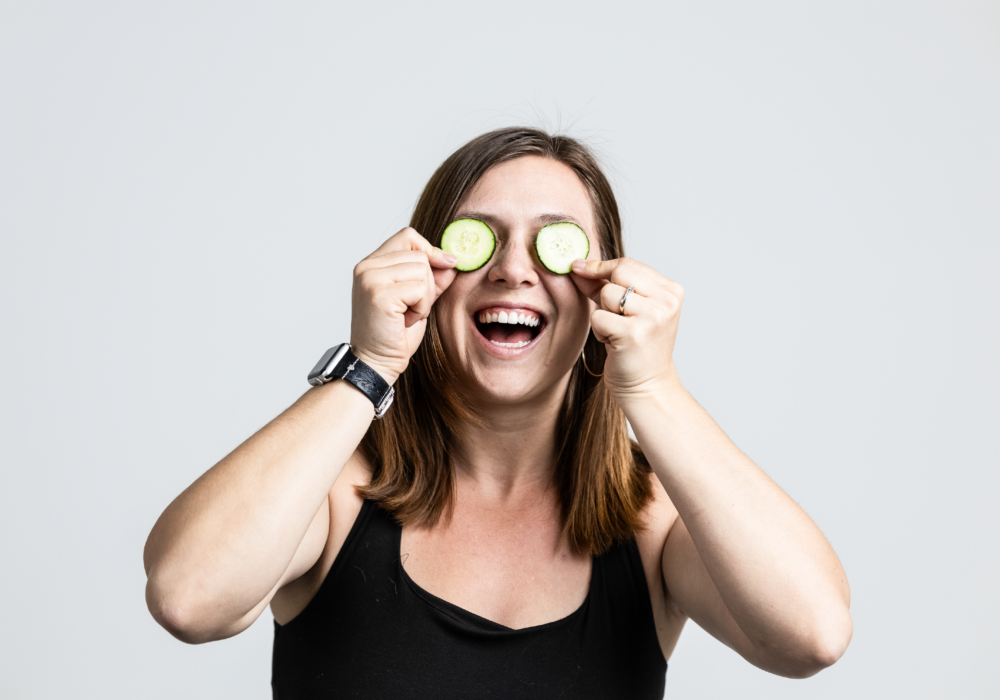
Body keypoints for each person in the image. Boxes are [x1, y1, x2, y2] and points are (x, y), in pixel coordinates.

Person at [143, 127, 852, 697]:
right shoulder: (336, 492)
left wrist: (653, 387)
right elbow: (189, 597)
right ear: (427, 275)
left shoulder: (651, 523)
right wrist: (371, 365)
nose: (514, 268)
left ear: (603, 289)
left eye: (555, 242)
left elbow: (812, 634)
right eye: (477, 235)